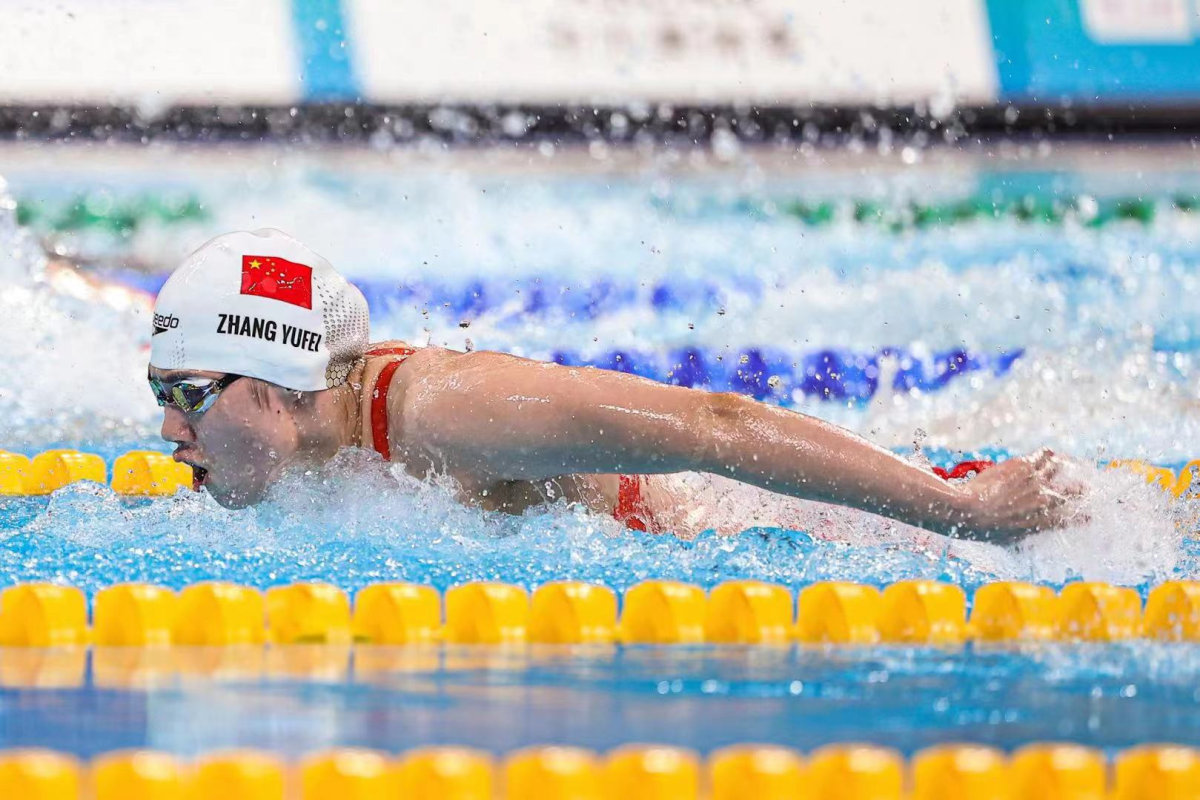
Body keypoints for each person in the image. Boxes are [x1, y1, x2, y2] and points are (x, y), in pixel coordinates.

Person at [148, 229, 1079, 544]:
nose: (165, 428)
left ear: (275, 384)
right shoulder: (306, 442)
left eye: (187, 393)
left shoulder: (445, 412)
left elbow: (718, 421)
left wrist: (959, 506)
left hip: (772, 527)